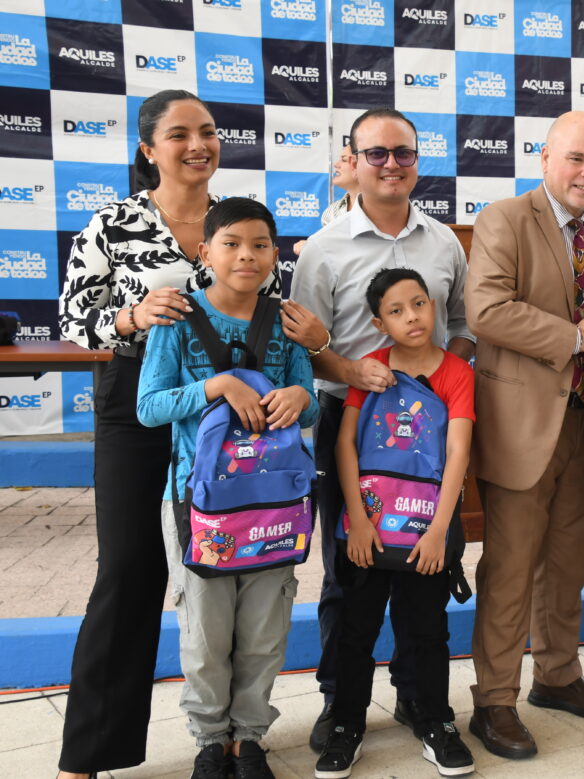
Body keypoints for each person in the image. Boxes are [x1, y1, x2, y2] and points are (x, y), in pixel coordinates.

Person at [55, 89, 278, 779]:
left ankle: (235, 738)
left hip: (233, 415)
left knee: (236, 566)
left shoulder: (237, 218)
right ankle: (87, 754)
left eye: (207, 131)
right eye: (179, 134)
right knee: (129, 569)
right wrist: (130, 316)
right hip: (139, 403)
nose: (198, 144)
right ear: (149, 148)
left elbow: (272, 306)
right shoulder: (114, 222)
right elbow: (72, 316)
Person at [285, 107, 475, 753]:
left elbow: (463, 327)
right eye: (376, 153)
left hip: (432, 433)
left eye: (403, 152)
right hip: (352, 427)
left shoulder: (444, 243)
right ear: (353, 160)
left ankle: (421, 701)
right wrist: (356, 374)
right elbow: (303, 350)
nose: (391, 164)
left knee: (425, 569)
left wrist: (440, 385)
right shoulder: (324, 248)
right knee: (351, 572)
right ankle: (341, 704)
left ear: (417, 160)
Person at [464, 110, 584, 759]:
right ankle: (494, 700)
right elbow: (487, 310)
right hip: (521, 428)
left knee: (568, 565)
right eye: (576, 159)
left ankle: (557, 676)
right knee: (509, 571)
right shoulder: (505, 219)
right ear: (544, 158)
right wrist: (576, 337)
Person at [137, 197, 318, 779]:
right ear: (204, 252)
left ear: (273, 254)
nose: (246, 256)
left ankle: (249, 738)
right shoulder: (178, 319)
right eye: (231, 243)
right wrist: (214, 386)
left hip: (274, 504)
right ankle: (210, 740)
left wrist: (301, 396)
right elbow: (148, 406)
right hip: (198, 504)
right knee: (205, 632)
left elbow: (310, 402)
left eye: (260, 245)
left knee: (265, 628)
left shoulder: (286, 321)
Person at [314, 268, 475, 779]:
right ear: (379, 323)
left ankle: (436, 723)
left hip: (425, 531)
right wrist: (358, 521)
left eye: (419, 303)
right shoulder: (371, 369)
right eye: (396, 310)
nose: (412, 317)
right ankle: (346, 725)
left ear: (434, 305)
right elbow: (345, 443)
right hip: (368, 530)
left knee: (426, 629)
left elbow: (458, 452)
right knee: (355, 628)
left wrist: (439, 531)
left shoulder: (457, 372)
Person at [293, 143, 359, 256]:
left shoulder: (384, 208)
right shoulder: (331, 212)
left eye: (343, 160)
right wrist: (311, 247)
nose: (336, 165)